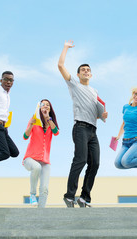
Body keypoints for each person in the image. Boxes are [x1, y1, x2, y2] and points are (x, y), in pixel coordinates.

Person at [57, 40, 108, 208]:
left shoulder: (95, 92)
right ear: (78, 75)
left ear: (91, 75)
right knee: (80, 160)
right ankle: (69, 195)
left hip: (93, 131)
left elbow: (98, 113)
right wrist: (66, 47)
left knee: (95, 163)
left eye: (88, 70)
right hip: (80, 128)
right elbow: (60, 65)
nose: (86, 72)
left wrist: (103, 115)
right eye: (83, 70)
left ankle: (84, 198)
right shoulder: (74, 85)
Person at [22, 99, 59, 208]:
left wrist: (48, 119)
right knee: (36, 167)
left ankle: (41, 210)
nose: (46, 106)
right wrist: (31, 125)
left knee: (44, 188)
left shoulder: (50, 122)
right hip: (30, 159)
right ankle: (32, 195)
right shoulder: (33, 120)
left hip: (45, 161)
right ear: (39, 108)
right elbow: (25, 137)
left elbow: (56, 132)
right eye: (43, 105)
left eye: (48, 105)